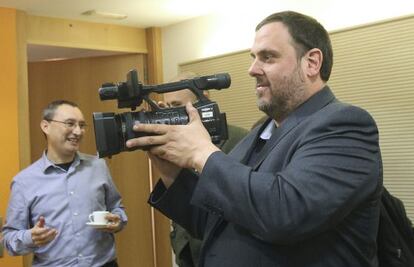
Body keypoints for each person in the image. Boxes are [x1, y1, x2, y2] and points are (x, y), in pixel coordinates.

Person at [127, 11, 383, 267]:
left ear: (312, 63)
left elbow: (285, 213)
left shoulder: (345, 125)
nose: (252, 70)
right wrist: (171, 172)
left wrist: (202, 153)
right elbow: (212, 222)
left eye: (268, 57)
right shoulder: (259, 132)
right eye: (253, 58)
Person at [2, 100, 127, 267]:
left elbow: (117, 208)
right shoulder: (24, 181)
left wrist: (117, 220)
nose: (77, 131)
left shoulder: (98, 166)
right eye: (70, 124)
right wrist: (30, 237)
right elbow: (8, 238)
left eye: (82, 125)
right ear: (46, 126)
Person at [158, 72, 249, 267]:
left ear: (203, 100)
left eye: (176, 106)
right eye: (166, 108)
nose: (170, 115)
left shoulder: (241, 141)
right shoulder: (172, 147)